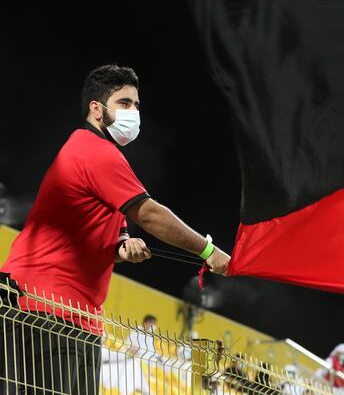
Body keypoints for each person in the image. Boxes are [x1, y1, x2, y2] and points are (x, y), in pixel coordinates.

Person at [0, 64, 231, 395]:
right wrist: (209, 251)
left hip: (80, 318)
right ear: (96, 109)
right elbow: (149, 214)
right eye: (124, 103)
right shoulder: (90, 150)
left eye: (136, 105)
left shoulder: (103, 160)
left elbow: (112, 229)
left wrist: (122, 246)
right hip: (43, 308)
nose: (134, 112)